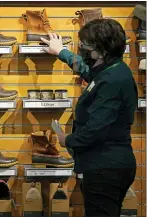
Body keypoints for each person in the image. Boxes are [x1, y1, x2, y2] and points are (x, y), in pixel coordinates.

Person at [41, 19, 137, 216]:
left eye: (85, 45)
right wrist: (61, 52)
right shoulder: (111, 70)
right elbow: (88, 72)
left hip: (105, 168)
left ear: (101, 50)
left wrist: (67, 139)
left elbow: (96, 129)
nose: (82, 49)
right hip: (107, 165)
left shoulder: (113, 80)